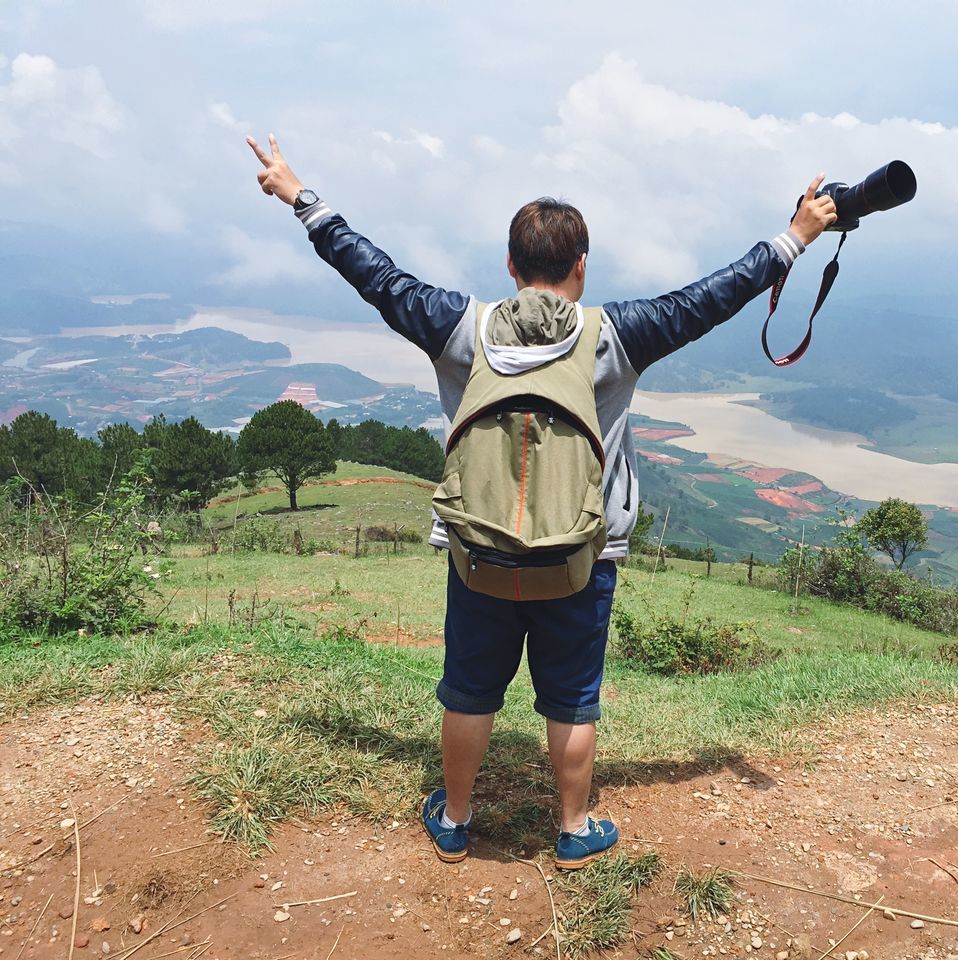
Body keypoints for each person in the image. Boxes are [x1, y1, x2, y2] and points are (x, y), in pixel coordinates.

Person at [246, 133, 837, 868]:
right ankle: (573, 828)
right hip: (581, 557)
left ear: (510, 266)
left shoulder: (459, 328)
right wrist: (796, 237)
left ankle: (456, 818)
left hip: (478, 556)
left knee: (468, 691)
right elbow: (712, 297)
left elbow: (376, 275)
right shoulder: (617, 336)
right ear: (580, 267)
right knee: (572, 699)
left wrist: (301, 198)